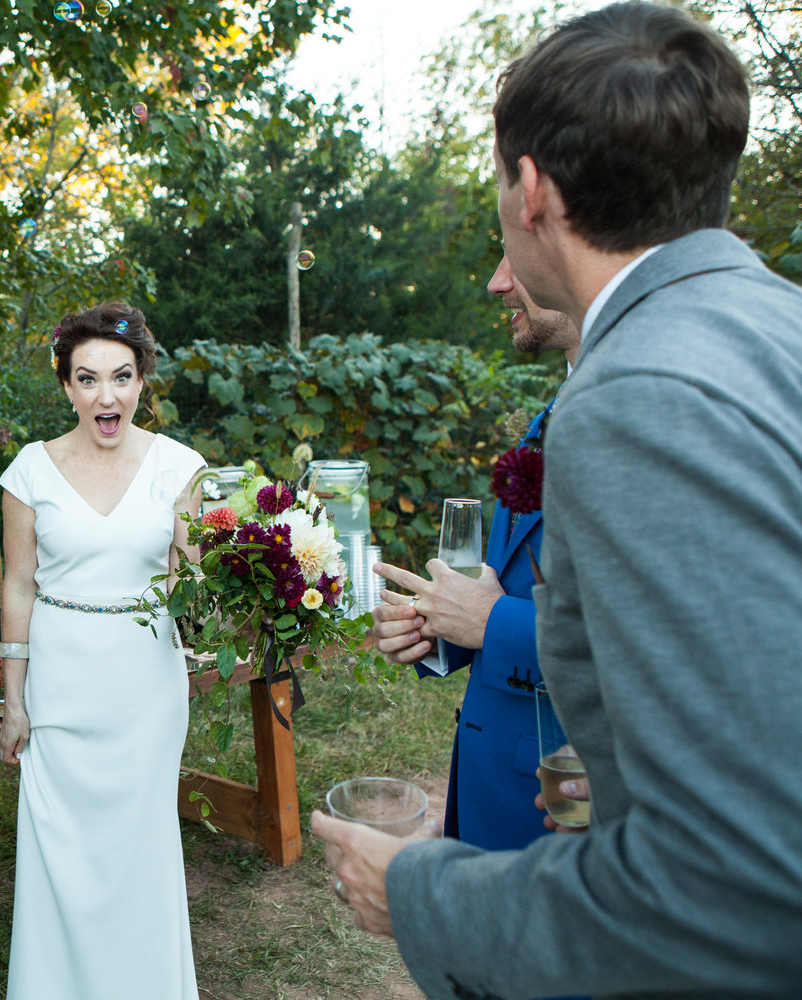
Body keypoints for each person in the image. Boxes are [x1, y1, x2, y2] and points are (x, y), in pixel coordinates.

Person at [313, 3, 802, 997]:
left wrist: (421, 890)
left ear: (529, 190)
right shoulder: (774, 325)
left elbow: (724, 887)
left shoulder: (638, 397)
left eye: (499, 181)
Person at [0, 303, 206, 999]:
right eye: (87, 380)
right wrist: (13, 701)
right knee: (62, 859)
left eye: (121, 376)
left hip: (146, 689)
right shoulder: (29, 470)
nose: (105, 396)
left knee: (141, 854)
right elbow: (19, 586)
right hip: (61, 687)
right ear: (66, 387)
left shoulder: (182, 468)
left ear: (143, 378)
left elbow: (192, 591)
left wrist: (244, 585)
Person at [369, 254, 581, 851]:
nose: (497, 282)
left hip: (565, 798)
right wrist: (440, 630)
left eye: (514, 254)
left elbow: (654, 637)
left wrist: (490, 622)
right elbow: (514, 593)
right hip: (497, 776)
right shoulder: (549, 420)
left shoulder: (651, 414)